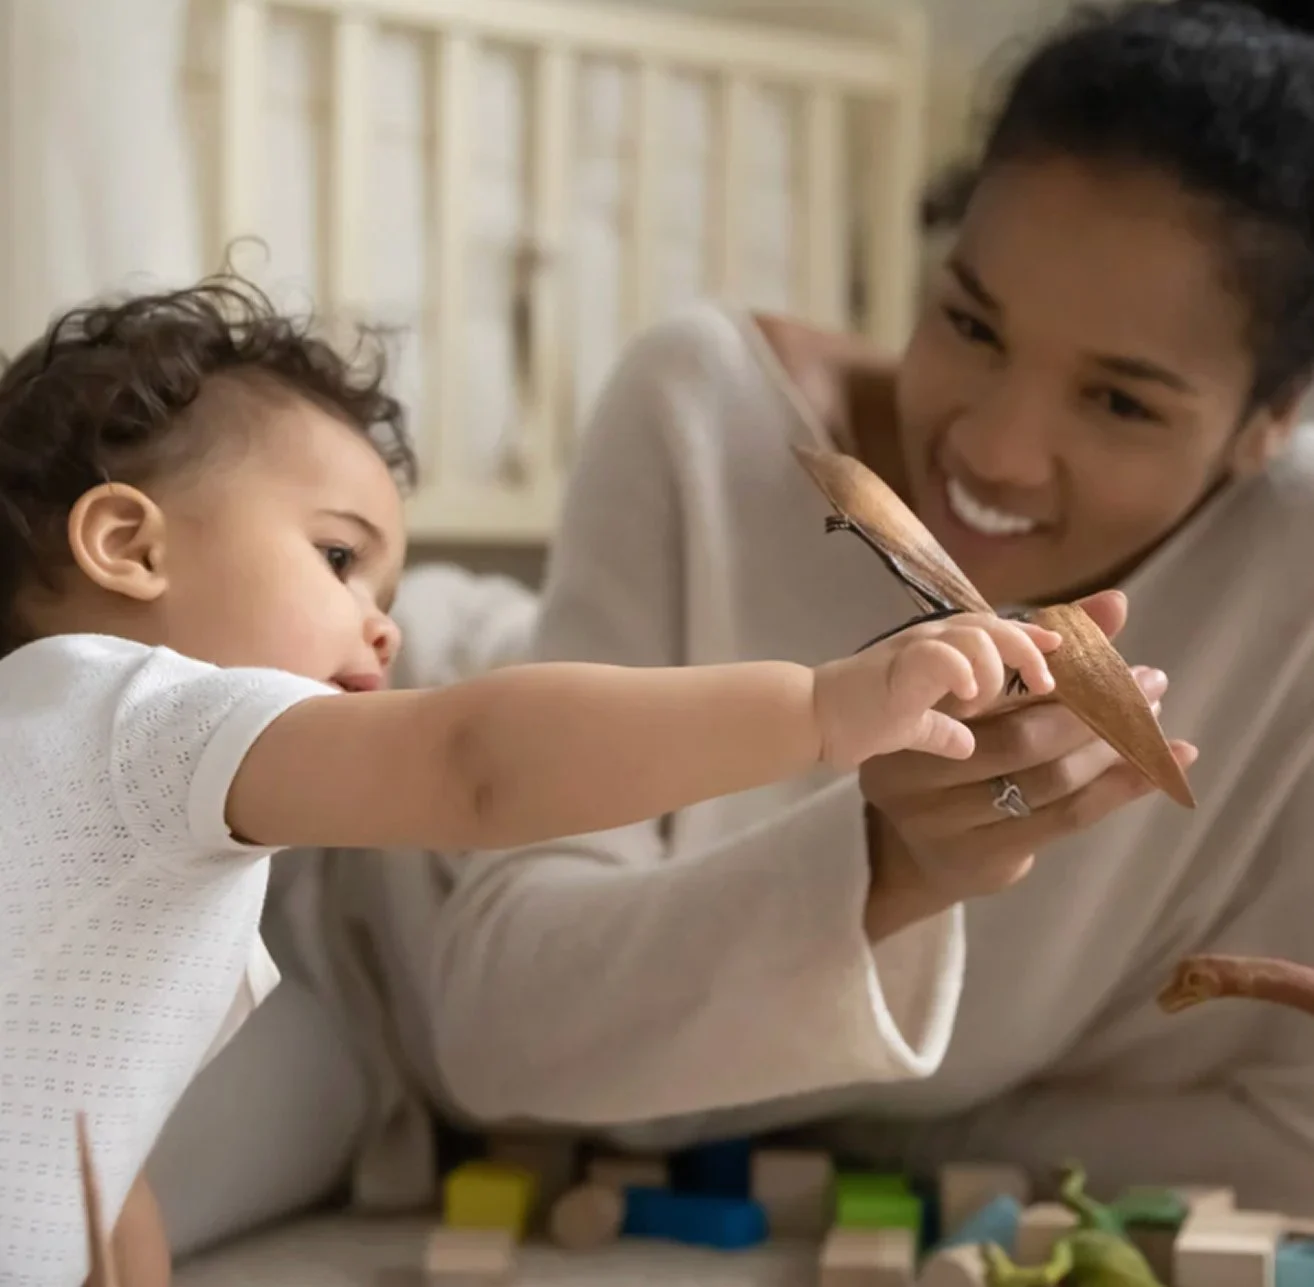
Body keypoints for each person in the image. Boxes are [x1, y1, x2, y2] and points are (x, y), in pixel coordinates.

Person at [417, 0, 1314, 1216]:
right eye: (969, 322)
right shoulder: (708, 415)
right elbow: (496, 1039)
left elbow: (1287, 1136)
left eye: (1120, 404)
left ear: (1276, 421)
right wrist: (885, 868)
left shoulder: (1287, 573)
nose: (994, 451)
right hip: (357, 853)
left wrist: (855, 1108)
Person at [0, 279, 1061, 1287]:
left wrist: (113, 1183)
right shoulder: (152, 720)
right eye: (336, 557)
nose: (385, 627)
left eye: (387, 587)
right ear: (129, 544)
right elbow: (476, 766)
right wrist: (822, 710)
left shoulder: (64, 746)